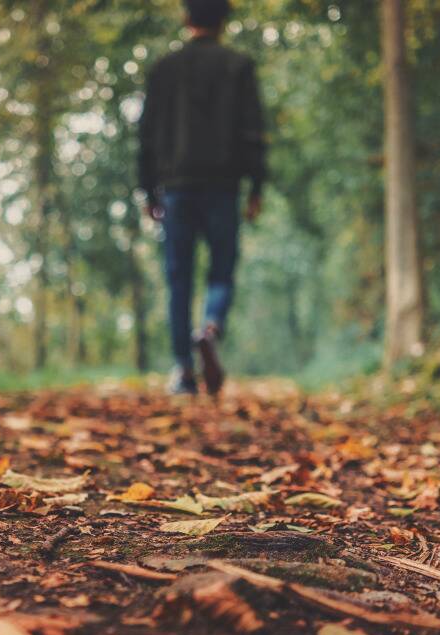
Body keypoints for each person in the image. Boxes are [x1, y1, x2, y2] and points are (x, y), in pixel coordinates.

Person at [138, 0, 266, 396]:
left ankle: (183, 371)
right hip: (223, 186)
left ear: (186, 18)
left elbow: (147, 134)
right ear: (224, 20)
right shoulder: (239, 66)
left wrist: (147, 188)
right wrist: (257, 185)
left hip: (176, 187)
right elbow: (253, 130)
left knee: (179, 277)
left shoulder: (164, 68)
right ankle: (209, 326)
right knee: (222, 270)